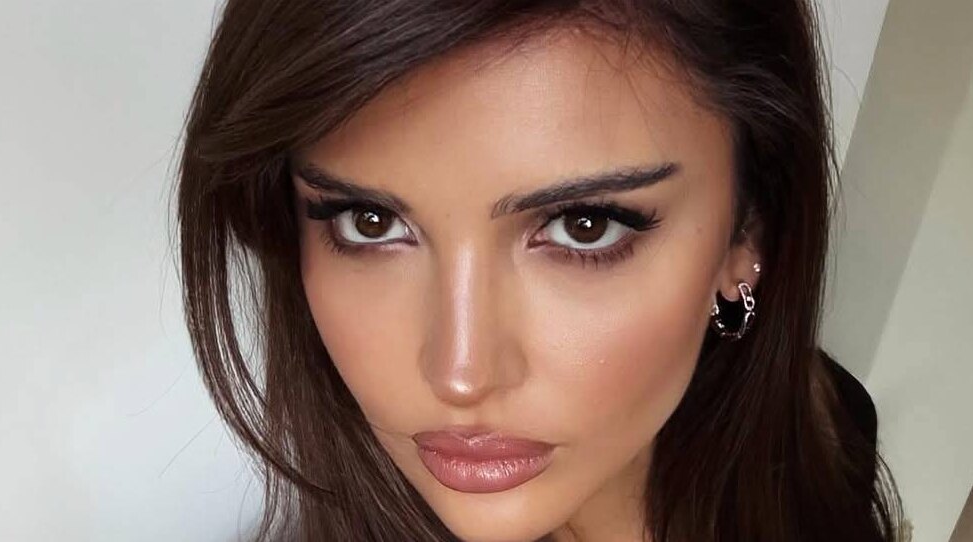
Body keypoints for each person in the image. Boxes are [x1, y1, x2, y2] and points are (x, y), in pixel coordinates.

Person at [175, 1, 902, 540]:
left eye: (583, 227)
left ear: (746, 233)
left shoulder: (835, 429)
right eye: (368, 222)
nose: (460, 375)